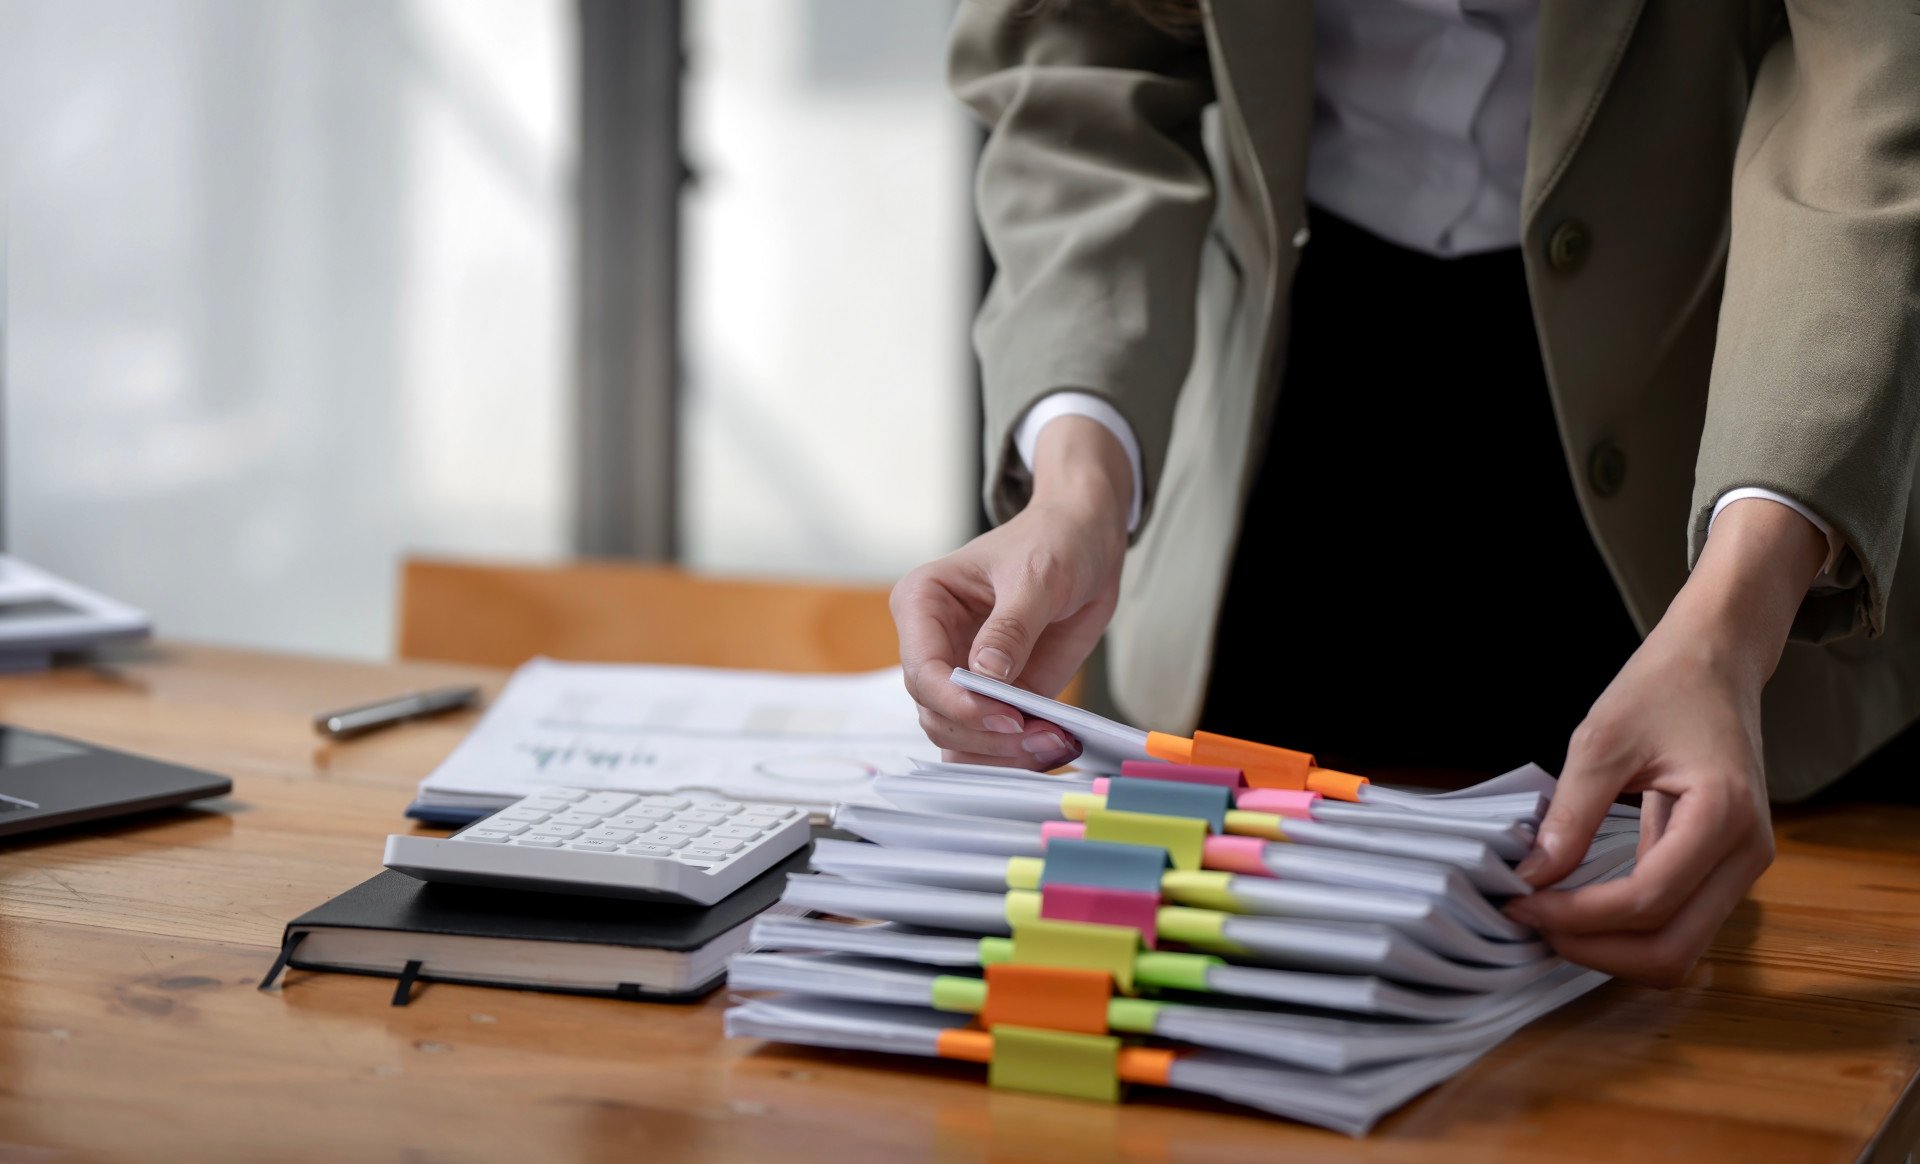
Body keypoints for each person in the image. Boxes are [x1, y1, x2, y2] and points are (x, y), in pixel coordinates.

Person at [890, 0, 1920, 987]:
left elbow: (1871, 91)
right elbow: (1081, 66)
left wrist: (1734, 619)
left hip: (1729, 465)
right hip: (1265, 478)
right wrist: (1077, 487)